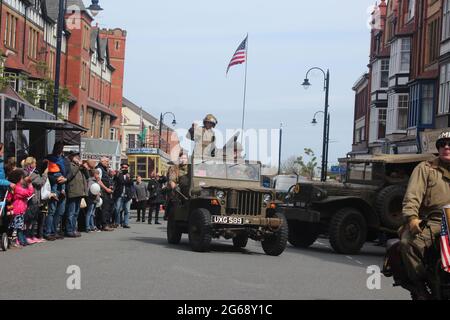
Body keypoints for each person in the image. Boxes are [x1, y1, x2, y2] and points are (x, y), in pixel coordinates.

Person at [399, 131, 450, 300]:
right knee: (408, 244)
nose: (446, 147)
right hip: (434, 220)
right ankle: (420, 285)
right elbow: (412, 196)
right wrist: (412, 218)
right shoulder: (426, 168)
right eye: (442, 144)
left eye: (449, 144)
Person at [44, 142, 68, 241]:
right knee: (52, 211)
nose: (60, 149)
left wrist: (65, 179)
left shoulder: (64, 159)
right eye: (59, 147)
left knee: (60, 211)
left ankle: (54, 231)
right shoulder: (49, 158)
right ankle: (48, 232)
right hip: (54, 183)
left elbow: (68, 172)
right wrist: (56, 179)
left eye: (61, 147)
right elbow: (46, 172)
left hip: (62, 184)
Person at [22, 157, 47, 244]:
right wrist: (45, 174)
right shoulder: (31, 174)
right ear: (30, 164)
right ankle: (28, 236)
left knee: (32, 218)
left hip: (31, 198)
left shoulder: (25, 172)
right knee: (30, 218)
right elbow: (40, 182)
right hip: (32, 198)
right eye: (34, 163)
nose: (35, 165)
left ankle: (31, 235)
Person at [7, 169, 34, 248]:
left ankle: (16, 241)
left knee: (15, 226)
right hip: (18, 210)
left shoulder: (14, 187)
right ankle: (13, 242)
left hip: (15, 209)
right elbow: (29, 193)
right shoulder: (17, 188)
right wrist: (29, 184)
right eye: (22, 178)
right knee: (16, 227)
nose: (23, 180)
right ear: (18, 179)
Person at [65, 151, 87, 238]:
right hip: (73, 191)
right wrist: (78, 165)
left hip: (79, 192)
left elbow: (87, 176)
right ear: (71, 157)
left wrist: (84, 168)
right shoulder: (70, 165)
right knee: (71, 212)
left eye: (78, 156)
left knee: (76, 213)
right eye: (75, 156)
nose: (78, 157)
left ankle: (74, 228)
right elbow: (70, 175)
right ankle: (69, 230)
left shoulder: (78, 167)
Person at [166, 152, 190, 219]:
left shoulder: (191, 168)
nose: (183, 159)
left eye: (185, 158)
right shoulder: (174, 168)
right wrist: (175, 187)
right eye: (181, 158)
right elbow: (172, 180)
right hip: (180, 191)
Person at [113, 163, 134, 229]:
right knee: (117, 209)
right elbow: (116, 181)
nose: (125, 169)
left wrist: (129, 178)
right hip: (119, 194)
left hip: (127, 195)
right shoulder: (119, 174)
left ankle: (126, 223)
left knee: (127, 210)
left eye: (126, 167)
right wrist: (117, 174)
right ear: (121, 167)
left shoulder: (130, 175)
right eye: (123, 167)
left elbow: (131, 184)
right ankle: (117, 222)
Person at [96, 157, 114, 231]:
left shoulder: (104, 169)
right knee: (104, 209)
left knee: (107, 208)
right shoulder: (99, 169)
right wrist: (106, 189)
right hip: (103, 192)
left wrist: (109, 186)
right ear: (102, 161)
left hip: (106, 191)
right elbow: (99, 181)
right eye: (106, 161)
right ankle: (104, 225)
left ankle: (106, 223)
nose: (108, 163)